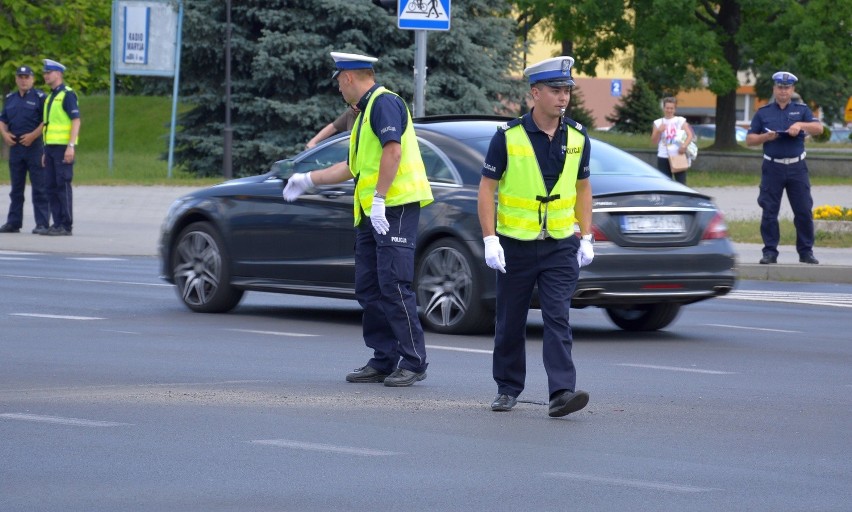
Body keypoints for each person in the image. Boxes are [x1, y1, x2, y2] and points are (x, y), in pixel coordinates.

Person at [282, 51, 434, 387]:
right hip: (370, 212)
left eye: (338, 81)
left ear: (348, 77)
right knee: (369, 287)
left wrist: (379, 199)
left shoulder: (384, 104)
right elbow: (351, 167)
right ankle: (383, 359)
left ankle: (414, 361)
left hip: (394, 206)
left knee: (394, 284)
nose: (337, 88)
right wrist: (308, 180)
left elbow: (393, 151)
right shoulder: (363, 113)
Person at [477, 56, 593, 418]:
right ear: (535, 93)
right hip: (515, 244)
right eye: (556, 91)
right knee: (510, 319)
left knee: (557, 315)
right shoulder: (508, 137)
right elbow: (486, 189)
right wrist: (489, 239)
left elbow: (584, 188)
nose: (563, 98)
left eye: (567, 91)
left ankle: (561, 392)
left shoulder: (577, 137)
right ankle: (508, 388)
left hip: (560, 243)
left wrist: (586, 236)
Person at [746, 71, 823, 265]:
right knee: (770, 211)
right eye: (780, 87)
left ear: (792, 90)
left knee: (804, 210)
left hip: (797, 167)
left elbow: (818, 128)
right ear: (774, 89)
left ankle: (806, 252)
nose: (783, 91)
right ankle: (770, 252)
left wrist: (799, 124)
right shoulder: (763, 112)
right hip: (772, 168)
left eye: (787, 88)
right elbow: (749, 140)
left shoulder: (802, 110)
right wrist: (765, 137)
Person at [0, 65, 49, 234]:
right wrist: (5, 135)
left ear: (33, 79)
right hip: (16, 147)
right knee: (16, 188)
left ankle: (42, 223)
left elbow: (46, 121)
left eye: (26, 77)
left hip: (34, 147)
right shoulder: (10, 98)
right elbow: (3, 119)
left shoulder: (40, 97)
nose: (23, 80)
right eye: (20, 77)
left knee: (40, 187)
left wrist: (33, 136)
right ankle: (13, 222)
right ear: (16, 79)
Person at [41, 59, 80, 237]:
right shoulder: (50, 97)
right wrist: (44, 150)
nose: (46, 75)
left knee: (62, 185)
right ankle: (56, 223)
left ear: (58, 74)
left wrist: (70, 146)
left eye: (49, 72)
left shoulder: (67, 94)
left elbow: (76, 121)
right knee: (50, 186)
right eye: (45, 73)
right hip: (50, 148)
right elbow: (48, 126)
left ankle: (66, 224)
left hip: (63, 148)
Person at [651, 97, 693, 185]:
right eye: (667, 108)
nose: (669, 110)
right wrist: (659, 131)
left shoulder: (680, 120)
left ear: (675, 109)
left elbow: (690, 135)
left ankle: (681, 198)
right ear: (663, 108)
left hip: (678, 155)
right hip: (663, 155)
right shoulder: (658, 122)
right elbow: (654, 141)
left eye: (671, 108)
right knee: (665, 183)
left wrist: (684, 146)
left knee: (681, 183)